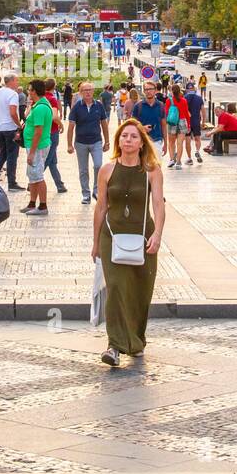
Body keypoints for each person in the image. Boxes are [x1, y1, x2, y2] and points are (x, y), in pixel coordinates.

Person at [92, 118, 166, 367]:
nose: (128, 140)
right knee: (115, 288)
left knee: (139, 293)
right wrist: (95, 243)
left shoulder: (152, 170)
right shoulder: (107, 170)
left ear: (141, 142)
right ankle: (114, 346)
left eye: (134, 136)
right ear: (118, 141)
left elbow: (158, 204)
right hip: (111, 236)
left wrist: (158, 235)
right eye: (124, 136)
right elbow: (101, 206)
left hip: (143, 236)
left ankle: (136, 341)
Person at [67, 81, 110, 204]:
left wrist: (107, 142)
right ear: (80, 92)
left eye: (90, 89)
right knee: (83, 170)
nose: (88, 92)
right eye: (85, 90)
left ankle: (96, 190)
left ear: (93, 91)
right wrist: (69, 144)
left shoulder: (99, 106)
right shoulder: (77, 107)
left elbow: (104, 124)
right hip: (81, 143)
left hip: (96, 141)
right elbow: (71, 126)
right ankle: (85, 194)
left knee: (98, 165)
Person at [21, 78, 54, 215]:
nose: (28, 92)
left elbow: (38, 131)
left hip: (37, 146)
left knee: (38, 175)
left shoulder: (40, 107)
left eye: (29, 89)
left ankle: (43, 206)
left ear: (34, 91)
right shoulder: (39, 104)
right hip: (36, 145)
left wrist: (32, 153)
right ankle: (32, 203)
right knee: (33, 175)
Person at [0, 74, 24, 191]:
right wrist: (19, 125)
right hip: (10, 128)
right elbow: (13, 112)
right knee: (12, 156)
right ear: (12, 81)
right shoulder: (13, 94)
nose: (18, 82)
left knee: (3, 154)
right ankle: (12, 183)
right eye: (17, 80)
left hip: (0, 127)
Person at [42, 78, 67, 193]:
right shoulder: (51, 98)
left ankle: (59, 184)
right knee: (48, 158)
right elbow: (54, 117)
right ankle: (34, 180)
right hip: (52, 131)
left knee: (52, 159)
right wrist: (61, 125)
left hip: (42, 131)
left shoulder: (40, 98)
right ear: (54, 86)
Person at [163, 83, 191, 169]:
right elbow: (187, 114)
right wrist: (189, 125)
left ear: (171, 91)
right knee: (180, 143)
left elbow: (166, 113)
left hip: (172, 122)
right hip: (182, 122)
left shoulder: (168, 101)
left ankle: (171, 159)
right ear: (180, 91)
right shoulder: (184, 101)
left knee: (171, 142)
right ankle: (178, 162)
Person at [132, 80, 165, 146]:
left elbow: (163, 126)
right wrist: (142, 128)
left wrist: (166, 144)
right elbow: (132, 124)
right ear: (143, 91)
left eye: (150, 89)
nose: (148, 91)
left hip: (157, 141)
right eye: (146, 89)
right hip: (142, 142)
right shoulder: (138, 106)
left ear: (155, 91)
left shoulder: (161, 105)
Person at [184, 82, 205, 166]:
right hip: (196, 120)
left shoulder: (184, 98)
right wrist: (203, 122)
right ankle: (197, 151)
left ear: (186, 89)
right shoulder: (199, 98)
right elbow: (203, 111)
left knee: (188, 140)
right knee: (197, 138)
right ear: (194, 89)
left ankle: (189, 158)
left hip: (187, 122)